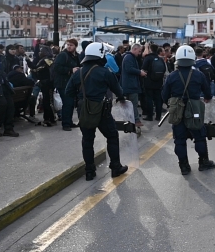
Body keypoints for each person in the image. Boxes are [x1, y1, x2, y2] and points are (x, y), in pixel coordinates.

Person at [65, 43, 128, 181]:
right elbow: (119, 91)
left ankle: (89, 171)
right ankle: (115, 167)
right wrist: (122, 99)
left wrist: (81, 99)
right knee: (112, 136)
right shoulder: (105, 72)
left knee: (87, 140)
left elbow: (68, 92)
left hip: (84, 111)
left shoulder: (78, 73)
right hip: (102, 111)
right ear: (100, 55)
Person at [162, 45, 215, 175]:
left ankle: (184, 166)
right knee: (199, 137)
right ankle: (203, 162)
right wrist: (207, 98)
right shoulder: (199, 75)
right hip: (194, 110)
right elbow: (208, 93)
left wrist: (172, 104)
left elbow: (164, 96)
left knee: (179, 140)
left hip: (177, 111)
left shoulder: (171, 76)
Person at [52, 38, 80, 130]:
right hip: (63, 83)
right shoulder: (63, 55)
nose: (69, 46)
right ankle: (66, 124)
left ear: (75, 46)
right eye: (68, 45)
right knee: (67, 103)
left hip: (71, 83)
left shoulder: (76, 56)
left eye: (71, 45)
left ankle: (69, 121)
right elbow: (56, 67)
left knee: (71, 103)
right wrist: (70, 70)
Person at [121, 43, 147, 127]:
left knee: (131, 104)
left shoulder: (130, 57)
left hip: (130, 85)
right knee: (133, 104)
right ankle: (135, 121)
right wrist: (140, 72)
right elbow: (129, 69)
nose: (139, 53)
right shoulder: (129, 57)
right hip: (131, 86)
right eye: (139, 51)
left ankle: (132, 120)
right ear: (134, 49)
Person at [141, 45, 165, 122]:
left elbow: (143, 69)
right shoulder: (160, 59)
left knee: (149, 99)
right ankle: (158, 116)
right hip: (158, 82)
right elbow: (164, 69)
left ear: (150, 49)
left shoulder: (147, 58)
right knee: (158, 99)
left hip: (149, 82)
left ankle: (150, 116)